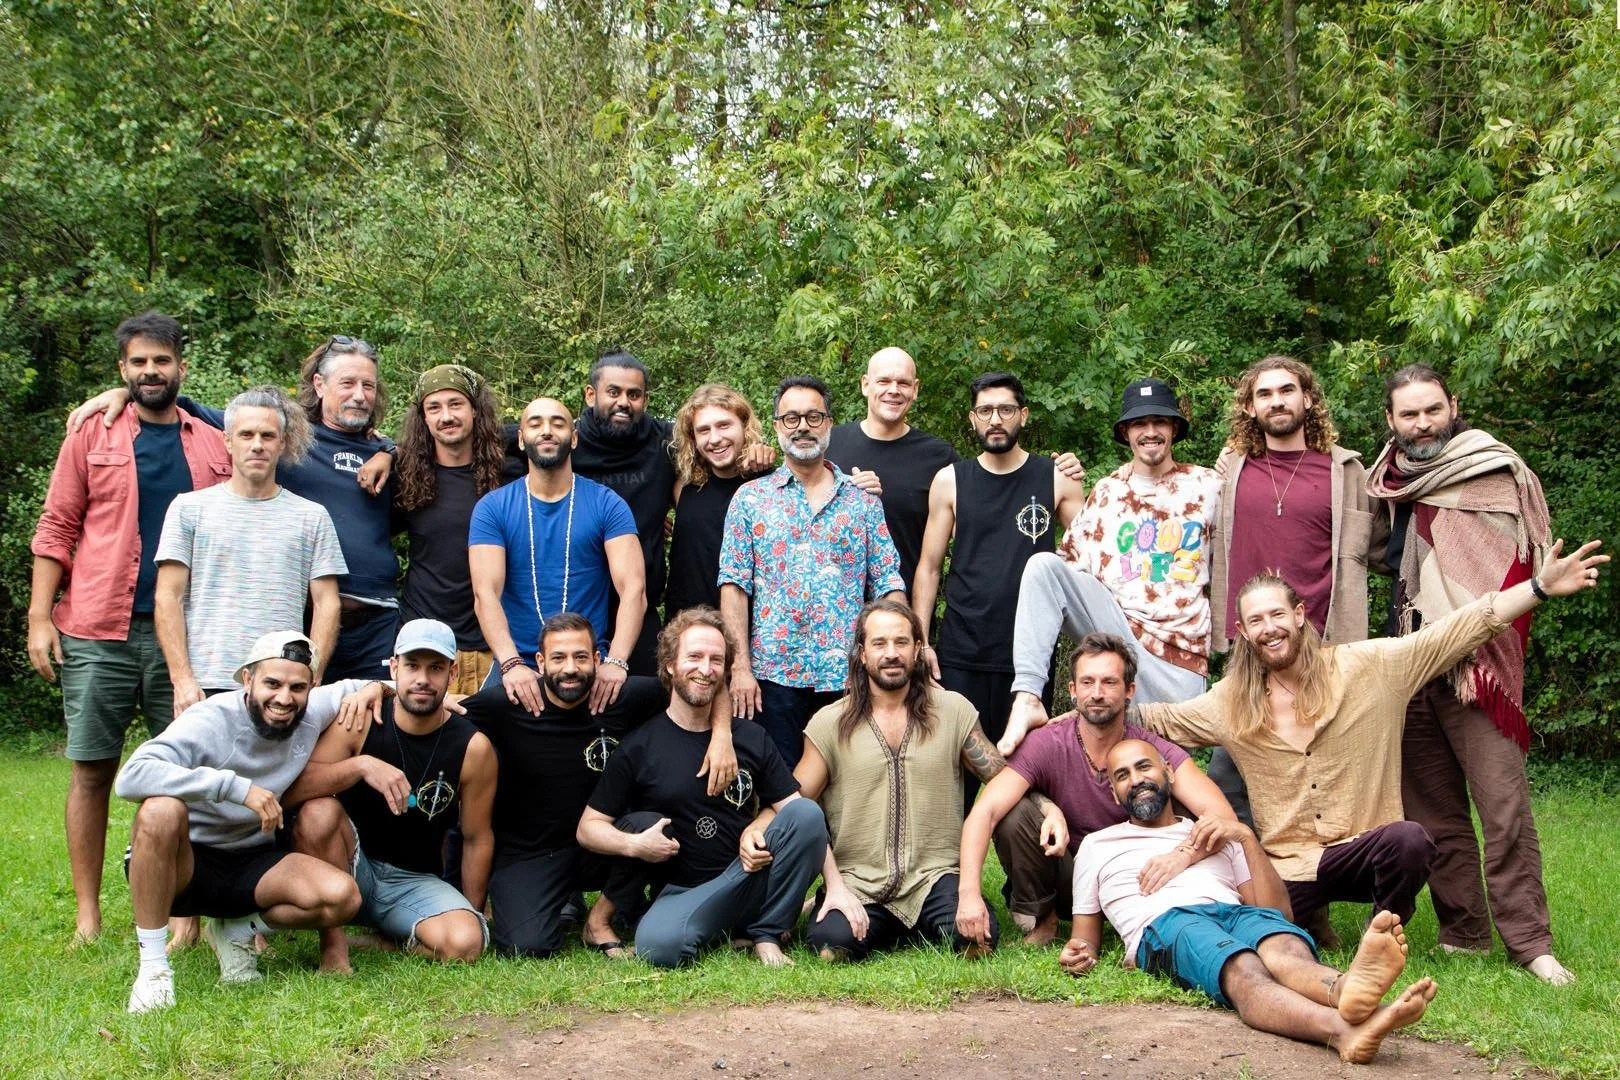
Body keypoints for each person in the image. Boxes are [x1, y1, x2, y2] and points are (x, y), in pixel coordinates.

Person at [1133, 540, 1606, 941]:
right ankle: (1310, 922)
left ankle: (1381, 929)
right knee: (1260, 932)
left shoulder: (1370, 668)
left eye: (1277, 614)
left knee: (1410, 841)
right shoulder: (1231, 701)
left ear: (1299, 615)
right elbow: (1160, 720)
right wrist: (1092, 705)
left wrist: (1538, 587)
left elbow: (1459, 630)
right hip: (1289, 865)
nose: (1268, 628)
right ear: (1242, 632)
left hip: (1367, 852)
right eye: (1255, 621)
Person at [28, 311, 232, 944]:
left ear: (181, 367)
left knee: (186, 772)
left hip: (188, 636)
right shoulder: (91, 434)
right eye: (138, 362)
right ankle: (88, 914)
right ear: (122, 369)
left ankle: (185, 912)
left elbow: (273, 444)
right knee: (92, 770)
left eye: (161, 361)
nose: (150, 372)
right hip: (97, 628)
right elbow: (57, 525)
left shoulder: (214, 441)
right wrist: (39, 617)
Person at [1367, 365, 1575, 984]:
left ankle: (1530, 942)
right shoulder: (1387, 482)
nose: (1422, 424)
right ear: (1390, 420)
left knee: (1503, 807)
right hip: (1412, 660)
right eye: (1409, 414)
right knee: (1433, 811)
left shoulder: (1493, 470)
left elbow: (1516, 563)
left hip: (1477, 664)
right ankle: (1464, 932)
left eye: (1432, 410)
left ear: (1453, 406)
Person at [1061, 740, 1439, 1065]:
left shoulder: (1214, 832)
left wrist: (1243, 836)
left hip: (1237, 913)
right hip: (1169, 923)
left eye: (1144, 767)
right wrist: (1078, 953)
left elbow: (1278, 914)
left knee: (1284, 946)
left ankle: (1343, 990)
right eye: (1122, 775)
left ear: (1169, 773)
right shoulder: (1097, 846)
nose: (1135, 779)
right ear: (1114, 793)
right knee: (1244, 967)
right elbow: (1084, 938)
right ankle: (1341, 1031)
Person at [114, 632, 373, 1012]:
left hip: (252, 860)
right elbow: (131, 776)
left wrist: (376, 690)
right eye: (272, 683)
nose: (284, 698)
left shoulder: (310, 711)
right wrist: (234, 788)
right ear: (248, 679)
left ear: (311, 687)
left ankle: (235, 930)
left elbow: (381, 681)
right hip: (186, 861)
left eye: (297, 687)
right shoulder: (211, 718)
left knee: (342, 897)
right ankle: (153, 969)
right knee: (159, 810)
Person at [459, 611, 735, 959]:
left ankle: (601, 919)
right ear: (540, 662)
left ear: (597, 659)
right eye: (558, 658)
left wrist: (722, 734)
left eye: (580, 657)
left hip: (603, 844)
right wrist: (399, 694)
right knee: (527, 946)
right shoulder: (510, 701)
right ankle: (554, 903)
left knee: (652, 825)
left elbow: (702, 682)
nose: (570, 668)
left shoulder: (620, 696)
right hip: (531, 853)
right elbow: (444, 713)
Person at [577, 608, 828, 967]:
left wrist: (758, 827)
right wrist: (634, 845)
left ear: (726, 670)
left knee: (807, 812)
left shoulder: (750, 737)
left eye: (716, 660)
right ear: (670, 665)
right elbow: (588, 828)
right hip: (683, 892)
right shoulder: (640, 746)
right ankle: (732, 930)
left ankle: (767, 933)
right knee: (658, 947)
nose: (706, 669)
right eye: (694, 657)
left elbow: (793, 809)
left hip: (748, 875)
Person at [957, 633, 1236, 947]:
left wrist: (1181, 857)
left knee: (1177, 803)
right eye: (1087, 683)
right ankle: (1044, 918)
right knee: (1015, 815)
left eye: (1109, 682)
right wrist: (969, 896)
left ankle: (1159, 915)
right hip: (1069, 877)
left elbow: (1223, 817)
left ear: (1129, 691)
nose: (1097, 693)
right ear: (1073, 690)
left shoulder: (1150, 750)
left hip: (1137, 879)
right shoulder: (1047, 743)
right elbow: (985, 812)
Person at [1004, 377, 1222, 754]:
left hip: (1180, 653)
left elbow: (1234, 561)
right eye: (1139, 423)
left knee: (1167, 769)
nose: (1150, 432)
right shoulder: (1108, 491)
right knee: (1042, 567)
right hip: (1118, 634)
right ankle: (1027, 698)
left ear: (1174, 428)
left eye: (1159, 422)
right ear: (1125, 432)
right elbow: (1067, 574)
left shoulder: (1208, 486)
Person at [795, 600, 1012, 961]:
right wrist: (760, 828)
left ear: (918, 649)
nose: (891, 653)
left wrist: (1047, 807)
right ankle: (827, 910)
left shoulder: (953, 711)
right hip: (859, 881)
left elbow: (1003, 778)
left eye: (901, 642)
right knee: (832, 948)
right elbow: (795, 804)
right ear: (862, 653)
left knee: (977, 942)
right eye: (879, 643)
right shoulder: (830, 724)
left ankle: (931, 919)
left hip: (935, 877)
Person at [912, 371, 1086, 802]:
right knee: (953, 778)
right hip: (962, 651)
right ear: (972, 418)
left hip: (1029, 657)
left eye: (1005, 410)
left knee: (1025, 776)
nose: (995, 419)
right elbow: (929, 568)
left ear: (1022, 415)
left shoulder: (1056, 478)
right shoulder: (951, 480)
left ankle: (1026, 849)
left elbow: (1090, 562)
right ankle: (952, 849)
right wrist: (922, 641)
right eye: (985, 410)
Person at [281, 620, 496, 966]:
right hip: (350, 865)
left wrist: (470, 911)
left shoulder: (472, 746)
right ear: (394, 668)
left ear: (452, 674)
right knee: (318, 811)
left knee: (465, 944)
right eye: (412, 666)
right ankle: (334, 947)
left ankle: (383, 941)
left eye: (436, 668)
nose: (423, 679)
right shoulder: (361, 719)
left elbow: (476, 837)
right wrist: (360, 766)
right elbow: (293, 790)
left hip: (412, 881)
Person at [719, 376, 906, 765]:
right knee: (782, 786)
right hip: (772, 678)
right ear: (777, 426)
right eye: (791, 418)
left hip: (849, 677)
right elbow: (734, 586)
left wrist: (905, 645)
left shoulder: (863, 502)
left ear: (829, 423)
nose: (802, 426)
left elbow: (888, 581)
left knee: (850, 785)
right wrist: (740, 667)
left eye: (813, 417)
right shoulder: (750, 500)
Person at [153, 386, 345, 707]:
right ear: (227, 440)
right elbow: (167, 596)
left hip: (281, 684)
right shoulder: (188, 509)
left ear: (282, 443)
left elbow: (327, 604)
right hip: (205, 682)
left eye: (268, 436)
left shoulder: (311, 517)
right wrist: (182, 679)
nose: (257, 445)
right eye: (246, 435)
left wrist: (311, 674)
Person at [469, 395, 644, 717]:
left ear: (574, 438)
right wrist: (510, 664)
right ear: (521, 439)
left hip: (589, 666)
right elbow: (485, 594)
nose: (547, 431)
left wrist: (617, 661)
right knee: (478, 736)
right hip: (518, 664)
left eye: (558, 423)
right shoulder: (492, 508)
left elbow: (634, 589)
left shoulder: (608, 504)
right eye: (535, 424)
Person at [392, 364, 521, 695]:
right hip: (425, 639)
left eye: (456, 404)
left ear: (475, 410)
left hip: (496, 642)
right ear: (423, 417)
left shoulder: (510, 475)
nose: (446, 416)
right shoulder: (404, 476)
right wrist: (383, 452)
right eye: (434, 407)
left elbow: (551, 435)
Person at [570, 348, 677, 675]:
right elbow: (503, 439)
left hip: (641, 606)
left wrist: (752, 453)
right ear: (591, 395)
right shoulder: (567, 441)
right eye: (613, 392)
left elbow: (717, 440)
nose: (623, 402)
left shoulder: (665, 442)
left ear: (645, 399)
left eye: (634, 394)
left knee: (650, 695)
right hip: (575, 607)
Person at [826, 347, 958, 590]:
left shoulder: (939, 457)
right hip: (834, 604)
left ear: (915, 389)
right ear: (865, 385)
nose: (894, 390)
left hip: (906, 605)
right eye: (884, 381)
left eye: (903, 383)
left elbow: (972, 532)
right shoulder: (827, 444)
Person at [665, 384, 771, 618]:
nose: (715, 438)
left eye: (724, 425)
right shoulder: (683, 485)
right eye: (703, 430)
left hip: (750, 627)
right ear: (693, 438)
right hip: (688, 627)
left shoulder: (770, 485)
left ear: (744, 425)